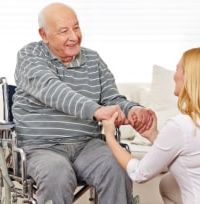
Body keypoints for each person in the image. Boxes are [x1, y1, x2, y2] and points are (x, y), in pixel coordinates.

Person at [12, 2, 153, 204]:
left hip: (87, 145)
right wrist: (96, 110)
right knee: (57, 173)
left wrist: (132, 110)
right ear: (44, 35)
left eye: (76, 27)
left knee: (118, 164)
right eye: (64, 31)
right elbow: (52, 90)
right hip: (42, 147)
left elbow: (112, 99)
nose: (74, 36)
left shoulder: (93, 60)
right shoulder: (29, 56)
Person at [102, 47, 200, 204]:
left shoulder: (180, 125)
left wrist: (110, 137)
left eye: (177, 69)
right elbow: (191, 151)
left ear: (190, 78)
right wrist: (154, 134)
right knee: (168, 183)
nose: (174, 76)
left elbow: (139, 174)